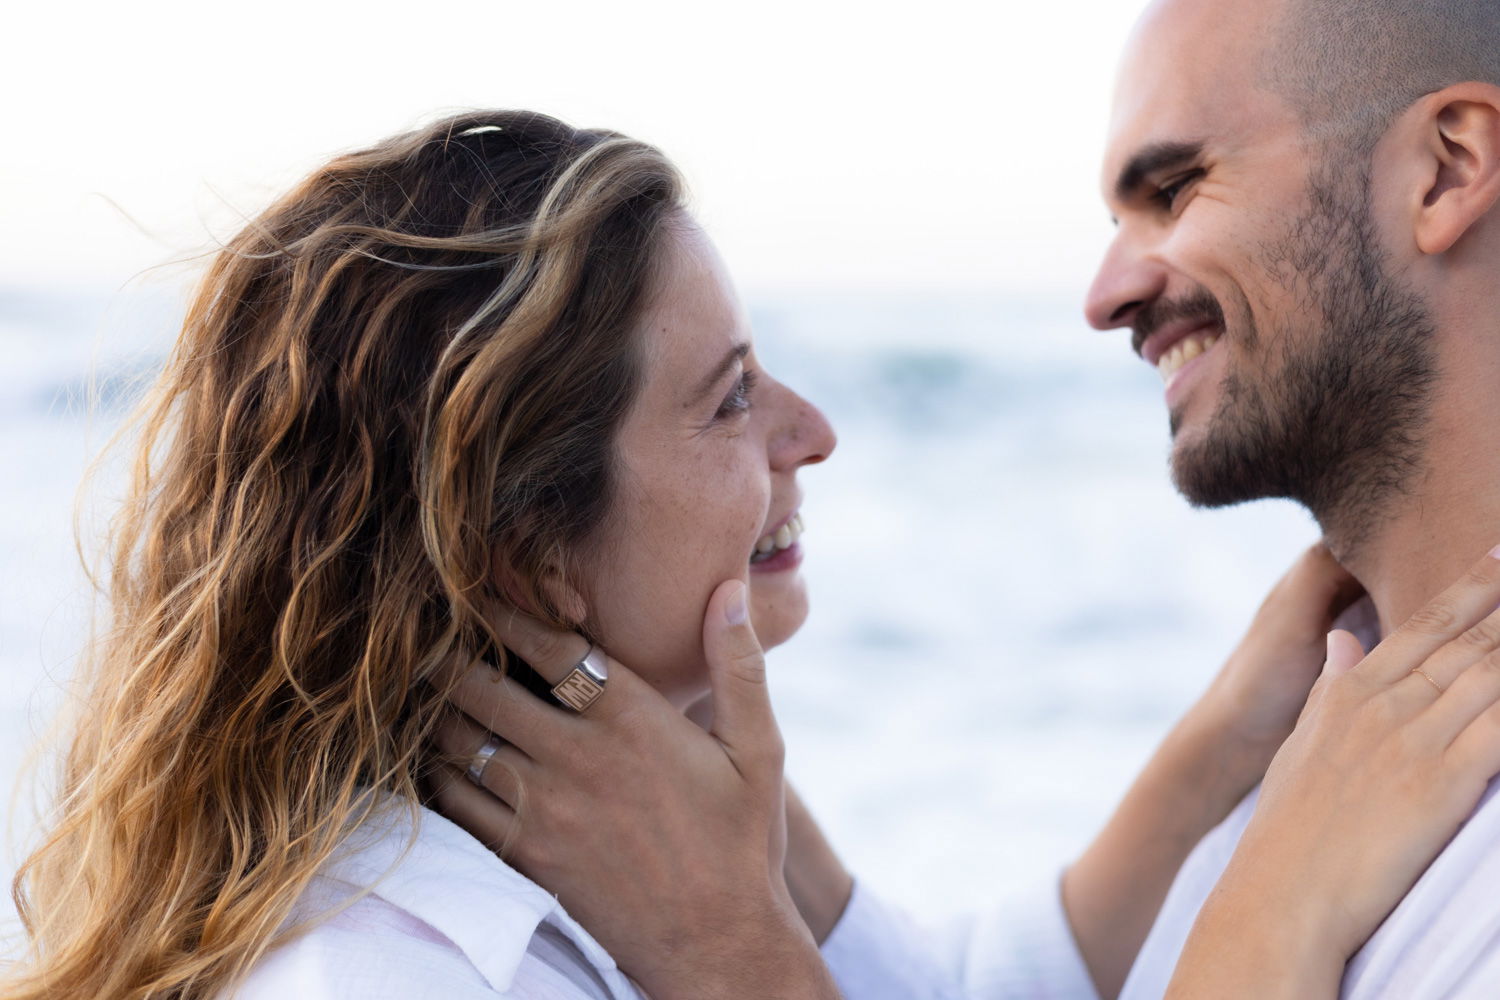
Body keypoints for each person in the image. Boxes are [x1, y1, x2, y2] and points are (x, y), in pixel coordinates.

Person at [3, 103, 1496, 1000]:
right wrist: (1271, 919)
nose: (815, 430)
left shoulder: (616, 833)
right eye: (729, 399)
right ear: (528, 553)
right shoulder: (400, 974)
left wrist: (1231, 740)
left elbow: (962, 991)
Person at [435, 0, 1500, 998]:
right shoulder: (1324, 765)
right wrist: (1224, 763)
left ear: (1446, 170)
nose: (1103, 295)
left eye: (1173, 190)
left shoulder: (1362, 838)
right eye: (726, 399)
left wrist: (733, 954)